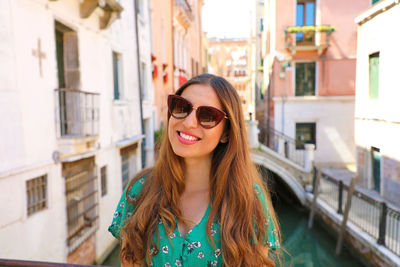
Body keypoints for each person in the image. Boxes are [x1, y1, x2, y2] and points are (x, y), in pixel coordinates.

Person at [108, 74, 281, 266]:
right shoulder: (139, 191)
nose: (189, 122)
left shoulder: (249, 200)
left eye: (207, 116)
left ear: (226, 132)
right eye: (182, 107)